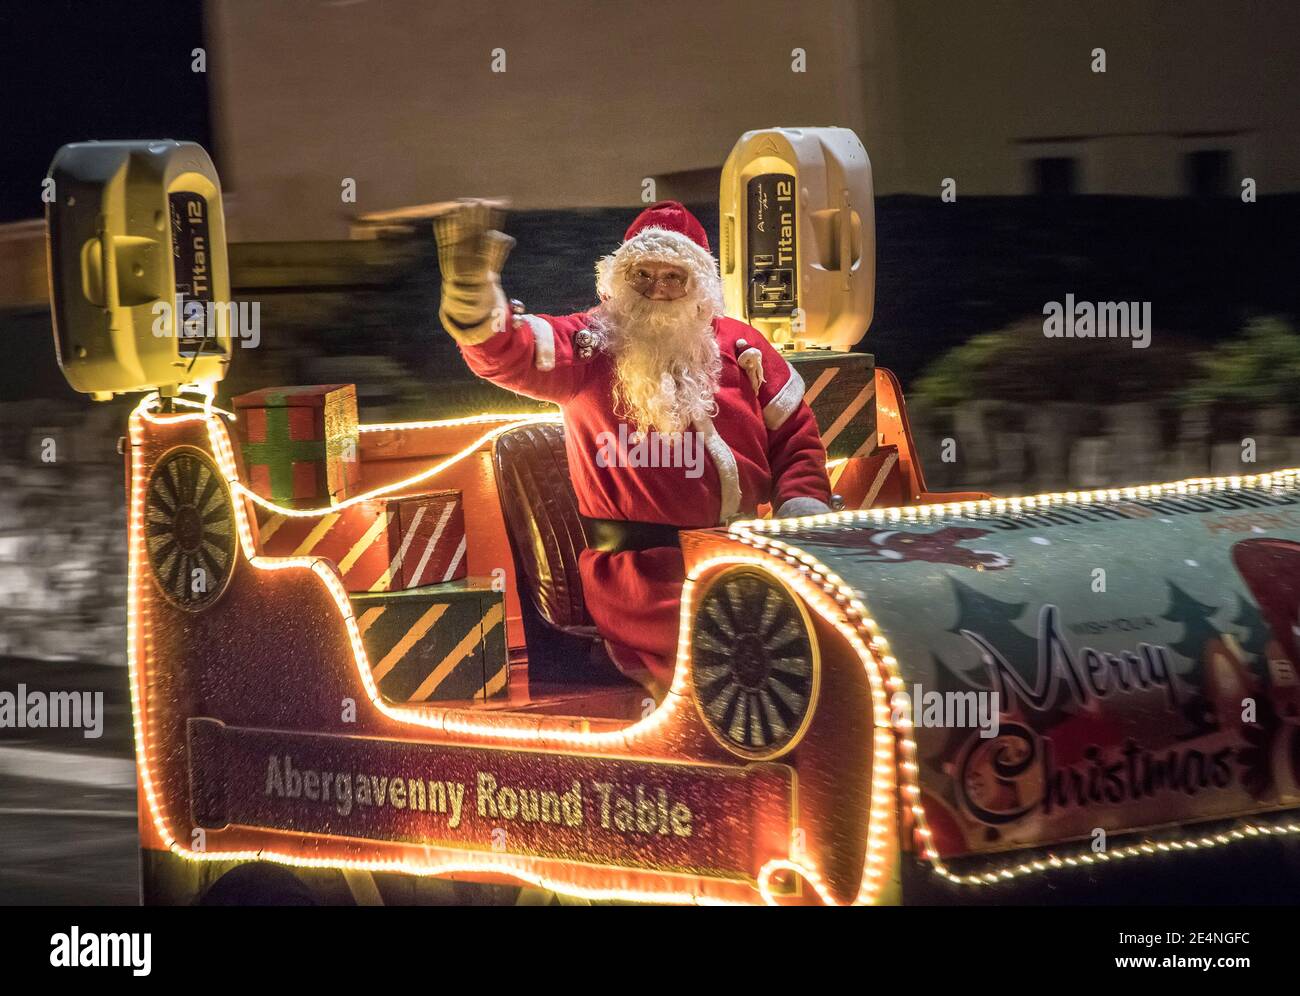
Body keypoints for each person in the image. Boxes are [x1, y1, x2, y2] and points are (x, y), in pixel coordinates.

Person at [434, 199, 830, 695]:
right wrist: (473, 299)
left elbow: (796, 437)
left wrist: (802, 504)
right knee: (741, 658)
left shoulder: (741, 347)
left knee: (837, 632)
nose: (659, 290)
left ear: (699, 285)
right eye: (643, 276)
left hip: (747, 555)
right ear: (620, 280)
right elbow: (505, 351)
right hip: (642, 580)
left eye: (674, 277)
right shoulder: (588, 345)